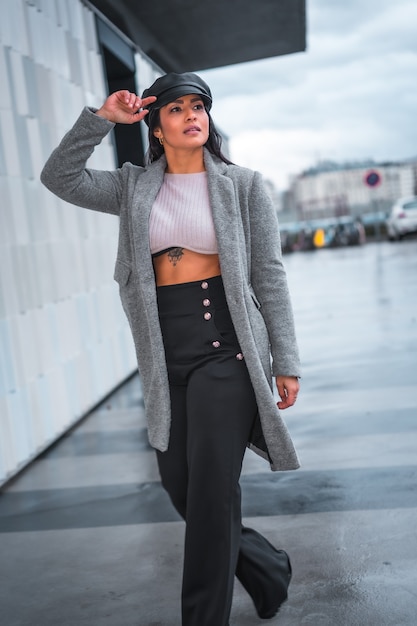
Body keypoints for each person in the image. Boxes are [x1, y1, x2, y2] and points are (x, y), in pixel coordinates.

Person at [41, 72, 301, 626]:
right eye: (177, 108)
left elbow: (269, 276)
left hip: (226, 351)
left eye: (199, 107)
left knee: (211, 492)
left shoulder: (244, 185)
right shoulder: (134, 186)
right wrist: (101, 121)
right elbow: (59, 177)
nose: (191, 116)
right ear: (156, 126)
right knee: (185, 491)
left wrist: (286, 360)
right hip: (165, 356)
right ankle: (264, 566)